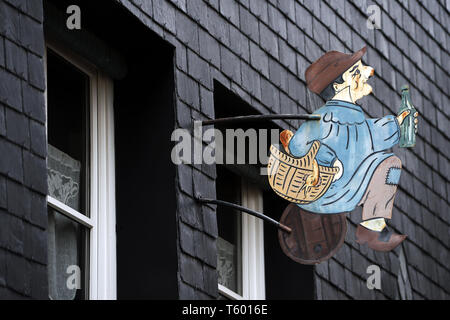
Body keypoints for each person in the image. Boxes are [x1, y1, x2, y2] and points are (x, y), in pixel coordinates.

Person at [280, 47, 418, 252]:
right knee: (389, 163)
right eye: (360, 69)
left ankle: (373, 225)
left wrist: (398, 125)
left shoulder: (347, 115)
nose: (368, 71)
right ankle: (372, 227)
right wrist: (395, 126)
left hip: (342, 188)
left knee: (388, 163)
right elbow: (356, 136)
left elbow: (364, 133)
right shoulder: (328, 116)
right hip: (329, 191)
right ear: (346, 80)